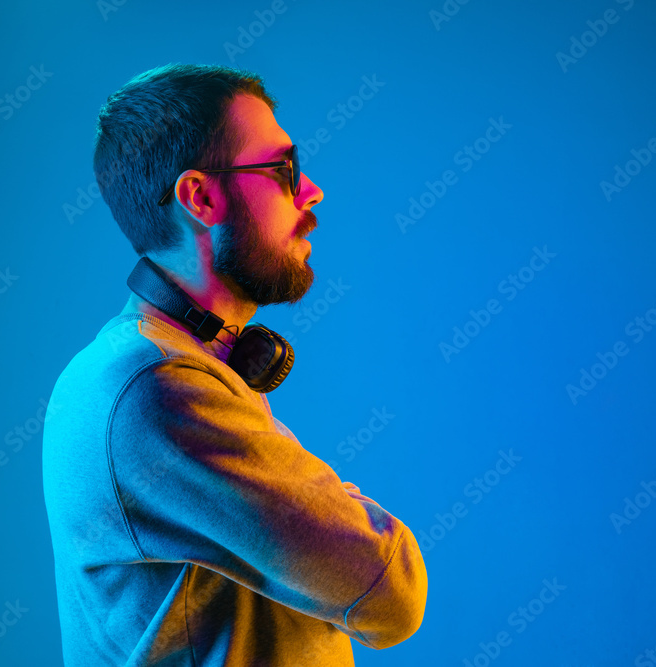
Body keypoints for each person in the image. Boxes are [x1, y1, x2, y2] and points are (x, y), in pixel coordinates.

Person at [41, 63, 428, 666]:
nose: (311, 190)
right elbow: (391, 589)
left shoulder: (147, 364)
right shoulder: (159, 388)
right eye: (283, 170)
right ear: (199, 197)